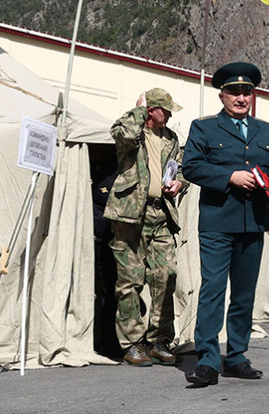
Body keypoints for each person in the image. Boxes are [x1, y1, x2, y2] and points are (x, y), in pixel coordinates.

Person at [181, 62, 269, 387]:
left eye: (246, 92)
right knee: (213, 291)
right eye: (234, 92)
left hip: (254, 223)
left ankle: (237, 357)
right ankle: (207, 361)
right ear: (222, 95)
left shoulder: (266, 131)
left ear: (252, 95)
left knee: (244, 294)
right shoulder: (204, 129)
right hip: (218, 223)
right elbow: (191, 167)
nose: (241, 97)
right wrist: (228, 176)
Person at [105, 88, 186, 366]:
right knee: (130, 280)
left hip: (161, 213)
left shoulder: (172, 139)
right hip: (130, 215)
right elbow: (120, 134)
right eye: (165, 109)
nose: (171, 114)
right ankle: (132, 343)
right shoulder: (133, 131)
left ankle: (160, 340)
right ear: (151, 110)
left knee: (167, 275)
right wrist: (138, 109)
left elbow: (181, 168)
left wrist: (180, 183)